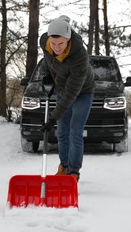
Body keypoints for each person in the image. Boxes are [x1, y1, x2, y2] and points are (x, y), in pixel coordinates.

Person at [40, 15, 94, 181]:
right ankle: (63, 167)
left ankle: (73, 173)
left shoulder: (79, 57)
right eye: (53, 43)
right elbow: (48, 60)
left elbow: (71, 94)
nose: (56, 47)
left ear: (68, 40)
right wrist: (48, 74)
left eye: (61, 44)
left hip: (82, 91)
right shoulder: (44, 42)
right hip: (62, 88)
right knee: (62, 133)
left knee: (74, 132)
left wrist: (52, 118)